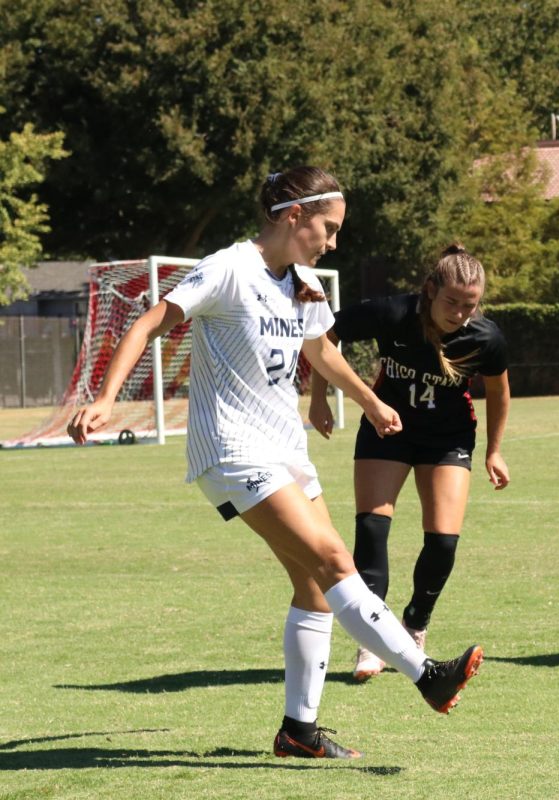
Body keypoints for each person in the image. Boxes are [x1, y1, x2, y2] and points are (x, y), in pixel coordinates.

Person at [66, 166, 483, 761]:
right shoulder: (228, 267)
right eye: (328, 227)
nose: (333, 241)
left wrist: (370, 400)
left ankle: (299, 732)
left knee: (315, 588)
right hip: (233, 449)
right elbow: (152, 321)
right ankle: (425, 674)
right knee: (337, 561)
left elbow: (320, 350)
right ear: (294, 216)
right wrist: (106, 397)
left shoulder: (305, 284)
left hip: (285, 448)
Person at [308, 244, 510, 683]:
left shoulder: (486, 338)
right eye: (451, 302)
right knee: (372, 528)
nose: (459, 313)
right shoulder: (393, 314)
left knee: (442, 543)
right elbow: (325, 334)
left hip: (448, 439)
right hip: (388, 430)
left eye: (469, 305)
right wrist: (321, 397)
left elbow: (498, 392)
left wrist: (494, 450)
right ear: (430, 290)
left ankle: (414, 624)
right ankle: (373, 638)